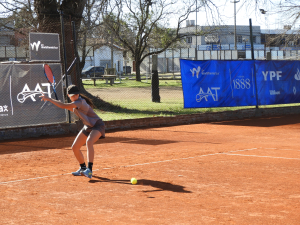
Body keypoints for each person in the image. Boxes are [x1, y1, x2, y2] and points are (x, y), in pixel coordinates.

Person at [39, 85, 105, 179]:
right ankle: (83, 168)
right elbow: (64, 106)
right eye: (72, 95)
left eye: (76, 95)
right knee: (75, 147)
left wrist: (49, 99)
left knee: (89, 142)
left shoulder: (80, 102)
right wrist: (58, 102)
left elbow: (63, 105)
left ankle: (89, 170)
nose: (74, 96)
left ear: (78, 94)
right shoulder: (75, 104)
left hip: (98, 125)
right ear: (68, 95)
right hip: (88, 126)